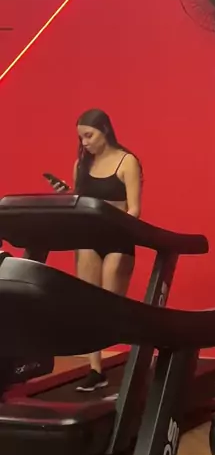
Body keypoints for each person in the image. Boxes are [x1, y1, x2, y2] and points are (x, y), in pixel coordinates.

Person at [73, 109, 142, 391]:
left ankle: (141, 355)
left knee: (111, 307)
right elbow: (78, 204)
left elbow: (134, 208)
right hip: (89, 239)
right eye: (81, 138)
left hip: (117, 238)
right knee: (89, 304)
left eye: (89, 135)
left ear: (104, 130)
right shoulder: (81, 165)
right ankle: (95, 369)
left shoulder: (127, 162)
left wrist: (115, 220)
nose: (85, 142)